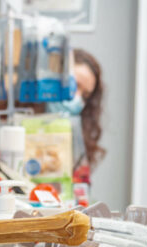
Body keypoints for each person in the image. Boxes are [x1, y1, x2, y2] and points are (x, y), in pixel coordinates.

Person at [47, 48, 106, 184]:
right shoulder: (17, 120)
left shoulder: (76, 138)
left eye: (85, 95)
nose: (77, 98)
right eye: (75, 86)